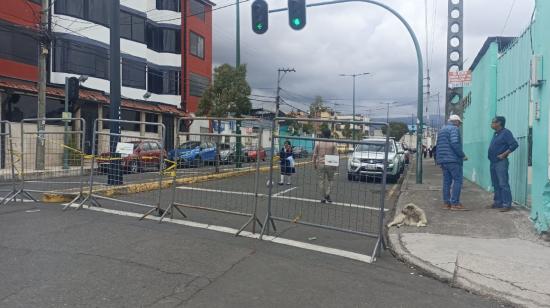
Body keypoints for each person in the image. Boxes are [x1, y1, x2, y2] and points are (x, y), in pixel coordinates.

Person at [436, 115, 468, 210]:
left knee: (446, 182)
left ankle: (446, 203)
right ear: (456, 122)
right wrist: (462, 155)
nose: (459, 125)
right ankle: (455, 203)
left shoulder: (442, 130)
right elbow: (455, 143)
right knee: (458, 180)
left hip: (443, 160)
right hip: (453, 160)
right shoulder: (454, 129)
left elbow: (438, 145)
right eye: (459, 123)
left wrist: (439, 159)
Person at [488, 116, 518, 212]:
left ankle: (507, 204)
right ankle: (498, 202)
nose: (491, 124)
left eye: (493, 122)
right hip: (493, 162)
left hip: (501, 162)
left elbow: (514, 144)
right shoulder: (496, 134)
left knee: (503, 183)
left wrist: (504, 154)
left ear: (499, 123)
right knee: (496, 183)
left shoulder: (506, 133)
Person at [313, 128, 338, 203]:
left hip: (320, 163)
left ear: (323, 134)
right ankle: (327, 194)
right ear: (330, 135)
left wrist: (314, 163)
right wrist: (335, 166)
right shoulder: (333, 143)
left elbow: (314, 155)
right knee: (331, 180)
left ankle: (323, 197)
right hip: (330, 162)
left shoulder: (318, 143)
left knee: (321, 181)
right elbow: (336, 155)